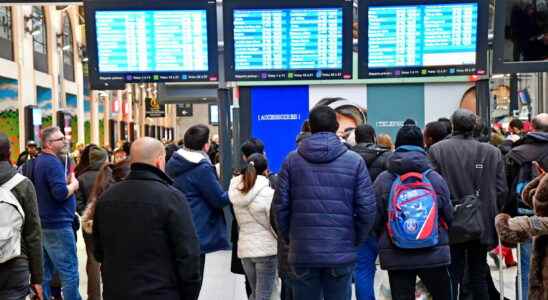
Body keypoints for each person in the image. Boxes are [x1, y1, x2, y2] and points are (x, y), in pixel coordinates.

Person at [272, 105, 377, 300]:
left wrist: (292, 239)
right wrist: (354, 240)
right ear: (336, 126)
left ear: (310, 127)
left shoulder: (291, 161)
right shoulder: (354, 161)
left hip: (303, 252)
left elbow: (280, 208)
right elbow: (367, 210)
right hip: (340, 250)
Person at [93, 137, 201, 300]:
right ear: (159, 161)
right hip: (161, 291)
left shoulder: (107, 197)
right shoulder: (172, 198)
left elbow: (99, 251)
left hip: (116, 291)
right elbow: (188, 254)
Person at [428, 109, 508, 299]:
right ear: (474, 126)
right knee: (478, 273)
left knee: (452, 273)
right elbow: (501, 189)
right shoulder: (492, 152)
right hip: (482, 221)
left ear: (453, 125)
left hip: (450, 221)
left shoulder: (438, 150)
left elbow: (432, 188)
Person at [374, 125, 453, 300]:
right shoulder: (434, 178)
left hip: (396, 252)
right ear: (422, 144)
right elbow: (449, 215)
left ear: (397, 144)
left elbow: (375, 218)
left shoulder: (384, 179)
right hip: (433, 249)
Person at [166, 124, 231, 289]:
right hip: (197, 230)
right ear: (206, 146)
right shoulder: (201, 168)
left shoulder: (174, 162)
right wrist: (237, 190)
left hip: (177, 225)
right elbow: (219, 199)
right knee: (194, 283)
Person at [33, 127, 81, 300]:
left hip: (45, 223)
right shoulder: (52, 163)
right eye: (60, 139)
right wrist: (74, 185)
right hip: (58, 225)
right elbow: (60, 193)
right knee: (69, 273)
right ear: (48, 144)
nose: (65, 141)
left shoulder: (40, 161)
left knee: (45, 272)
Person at [504, 113, 548, 300]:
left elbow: (505, 187)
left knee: (526, 266)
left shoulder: (516, 152)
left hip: (524, 216)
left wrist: (506, 215)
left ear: (531, 127)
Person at [0, 133, 43, 300]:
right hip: (16, 264)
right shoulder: (23, 185)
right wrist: (37, 278)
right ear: (9, 153)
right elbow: (33, 235)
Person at [350, 124, 391, 300]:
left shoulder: (347, 158)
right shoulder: (387, 157)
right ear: (374, 137)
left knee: (363, 270)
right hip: (386, 221)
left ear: (356, 138)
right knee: (397, 270)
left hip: (358, 220)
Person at [229, 153, 277, 300]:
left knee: (256, 293)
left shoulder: (236, 192)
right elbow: (274, 223)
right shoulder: (269, 194)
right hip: (267, 250)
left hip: (245, 250)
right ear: (266, 171)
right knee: (264, 295)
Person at [75, 146, 108, 300]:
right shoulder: (109, 175)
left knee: (92, 259)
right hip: (109, 223)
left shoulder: (81, 177)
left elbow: (78, 203)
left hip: (89, 224)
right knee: (110, 257)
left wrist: (86, 214)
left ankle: (93, 295)